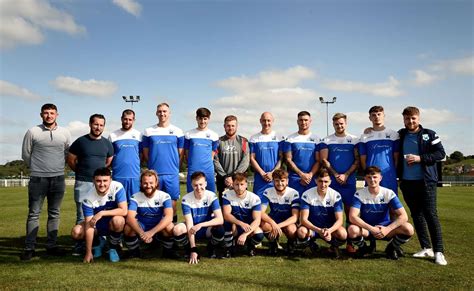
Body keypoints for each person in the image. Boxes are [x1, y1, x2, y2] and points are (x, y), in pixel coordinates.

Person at [20, 103, 71, 260]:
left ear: (57, 115)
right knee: (34, 213)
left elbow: (67, 154)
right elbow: (26, 154)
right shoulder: (32, 132)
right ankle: (29, 248)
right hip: (38, 179)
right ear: (41, 115)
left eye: (52, 113)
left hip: (58, 178)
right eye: (46, 113)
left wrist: (56, 168)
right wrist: (38, 168)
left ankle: (51, 246)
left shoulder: (65, 133)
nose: (49, 115)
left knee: (54, 213)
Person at [397, 106, 447, 265]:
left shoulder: (429, 134)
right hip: (407, 182)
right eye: (407, 118)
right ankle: (426, 247)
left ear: (418, 118)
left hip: (426, 182)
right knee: (417, 216)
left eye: (413, 118)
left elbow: (441, 154)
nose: (410, 121)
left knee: (431, 215)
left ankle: (439, 251)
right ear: (403, 119)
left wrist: (420, 158)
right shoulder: (401, 134)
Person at [67, 114, 114, 255]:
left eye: (101, 125)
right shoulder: (80, 142)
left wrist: (98, 178)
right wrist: (82, 172)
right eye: (96, 124)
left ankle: (100, 241)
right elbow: (71, 160)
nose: (98, 127)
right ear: (90, 124)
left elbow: (108, 161)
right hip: (83, 182)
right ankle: (81, 244)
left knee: (101, 214)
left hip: (100, 185)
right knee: (82, 215)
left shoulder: (107, 143)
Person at [347, 166, 414, 260]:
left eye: (375, 177)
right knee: (352, 229)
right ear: (365, 178)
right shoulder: (359, 194)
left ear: (380, 178)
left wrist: (387, 229)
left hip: (385, 228)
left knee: (409, 228)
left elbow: (404, 216)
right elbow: (352, 217)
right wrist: (371, 229)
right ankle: (364, 248)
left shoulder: (388, 193)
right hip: (368, 229)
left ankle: (391, 248)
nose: (372, 180)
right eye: (369, 177)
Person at [319, 113, 359, 253]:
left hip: (349, 182)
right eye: (336, 124)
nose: (339, 126)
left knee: (350, 213)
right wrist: (336, 174)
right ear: (333, 124)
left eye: (341, 123)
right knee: (333, 213)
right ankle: (333, 244)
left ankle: (350, 244)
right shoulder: (327, 140)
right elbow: (324, 160)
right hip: (333, 182)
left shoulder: (354, 139)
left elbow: (357, 160)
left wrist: (346, 174)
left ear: (346, 123)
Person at [70, 168, 127, 263]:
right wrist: (88, 253)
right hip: (97, 226)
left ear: (110, 180)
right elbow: (89, 225)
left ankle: (112, 247)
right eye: (98, 181)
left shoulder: (117, 187)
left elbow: (124, 210)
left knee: (118, 221)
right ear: (93, 181)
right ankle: (97, 244)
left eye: (105, 181)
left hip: (112, 223)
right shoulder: (88, 198)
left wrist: (102, 213)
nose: (102, 184)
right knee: (76, 232)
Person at [142, 103, 184, 222]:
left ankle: (172, 229)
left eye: (165, 111)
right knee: (155, 202)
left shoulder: (178, 131)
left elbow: (180, 154)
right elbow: (145, 153)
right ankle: (157, 230)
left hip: (172, 174)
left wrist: (175, 168)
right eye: (160, 111)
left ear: (169, 113)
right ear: (156, 113)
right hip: (155, 174)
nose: (162, 113)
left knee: (172, 203)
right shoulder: (148, 131)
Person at [173, 172, 225, 264]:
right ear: (191, 185)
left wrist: (201, 225)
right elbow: (189, 224)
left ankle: (211, 247)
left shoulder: (211, 196)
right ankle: (188, 249)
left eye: (201, 184)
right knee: (177, 229)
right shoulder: (186, 199)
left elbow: (220, 219)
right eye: (195, 185)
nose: (198, 188)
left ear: (205, 184)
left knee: (220, 229)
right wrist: (193, 249)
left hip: (206, 229)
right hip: (193, 228)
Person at [123, 170, 175, 259]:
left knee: (169, 226)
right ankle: (134, 252)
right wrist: (142, 233)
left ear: (156, 183)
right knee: (128, 228)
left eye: (151, 183)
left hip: (158, 226)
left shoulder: (165, 196)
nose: (148, 186)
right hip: (142, 226)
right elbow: (130, 218)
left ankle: (167, 251)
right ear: (141, 183)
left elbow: (169, 217)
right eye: (145, 183)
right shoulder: (135, 197)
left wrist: (151, 232)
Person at [297, 168, 347, 258]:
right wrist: (319, 230)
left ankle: (333, 247)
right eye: (320, 181)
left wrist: (329, 230)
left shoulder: (336, 195)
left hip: (329, 229)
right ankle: (311, 245)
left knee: (343, 234)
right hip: (313, 229)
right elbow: (303, 220)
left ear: (330, 182)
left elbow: (340, 220)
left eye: (326, 182)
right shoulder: (307, 194)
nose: (323, 185)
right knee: (301, 231)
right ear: (316, 181)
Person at [359, 106, 399, 194]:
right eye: (373, 115)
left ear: (384, 115)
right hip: (371, 176)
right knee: (371, 202)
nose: (376, 117)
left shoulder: (394, 134)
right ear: (370, 118)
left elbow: (396, 158)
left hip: (389, 175)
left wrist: (392, 172)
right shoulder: (364, 137)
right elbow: (363, 159)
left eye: (379, 114)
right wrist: (368, 173)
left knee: (391, 203)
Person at [222, 173, 264, 257]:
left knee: (259, 234)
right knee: (227, 223)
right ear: (233, 184)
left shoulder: (254, 198)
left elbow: (257, 220)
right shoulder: (227, 195)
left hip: (248, 226)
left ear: (246, 185)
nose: (239, 188)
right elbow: (226, 215)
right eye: (236, 184)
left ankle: (250, 246)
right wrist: (240, 223)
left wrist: (245, 234)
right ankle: (229, 248)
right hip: (235, 225)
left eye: (242, 184)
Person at [260, 169, 299, 255]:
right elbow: (261, 212)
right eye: (277, 181)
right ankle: (273, 243)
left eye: (282, 181)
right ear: (273, 181)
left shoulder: (294, 193)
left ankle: (291, 244)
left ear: (287, 181)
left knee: (291, 229)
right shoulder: (268, 191)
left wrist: (278, 226)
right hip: (274, 220)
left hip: (287, 222)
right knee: (263, 224)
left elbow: (295, 217)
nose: (280, 183)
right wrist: (273, 223)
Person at [214, 115, 250, 201]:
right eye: (228, 125)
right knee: (224, 207)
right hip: (223, 180)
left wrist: (234, 176)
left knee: (241, 207)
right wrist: (226, 176)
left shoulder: (243, 141)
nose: (230, 128)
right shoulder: (218, 141)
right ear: (224, 126)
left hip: (239, 180)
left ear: (237, 126)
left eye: (233, 125)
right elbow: (215, 160)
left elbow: (246, 160)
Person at [284, 111, 320, 195]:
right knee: (295, 205)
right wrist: (301, 174)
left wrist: (310, 174)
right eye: (301, 120)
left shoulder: (317, 139)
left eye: (306, 120)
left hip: (312, 178)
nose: (303, 122)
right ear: (297, 121)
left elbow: (319, 160)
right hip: (295, 178)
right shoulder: (290, 139)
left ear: (310, 121)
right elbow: (288, 160)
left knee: (311, 205)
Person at [108, 109, 142, 201]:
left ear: (133, 120)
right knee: (118, 204)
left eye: (130, 119)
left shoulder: (139, 135)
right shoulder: (113, 135)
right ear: (121, 119)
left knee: (134, 204)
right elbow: (109, 156)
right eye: (125, 119)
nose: (127, 122)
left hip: (134, 176)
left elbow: (141, 155)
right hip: (118, 176)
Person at [184, 107, 219, 192]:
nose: (202, 121)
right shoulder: (189, 134)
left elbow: (212, 154)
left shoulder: (214, 135)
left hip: (208, 170)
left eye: (205, 119)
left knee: (210, 195)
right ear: (196, 118)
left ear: (208, 119)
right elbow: (187, 153)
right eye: (200, 118)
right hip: (193, 169)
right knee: (192, 194)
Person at [249, 112, 283, 197]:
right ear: (260, 121)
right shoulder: (254, 138)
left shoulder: (279, 137)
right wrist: (262, 173)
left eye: (268, 120)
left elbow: (281, 158)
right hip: (260, 178)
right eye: (264, 120)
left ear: (273, 121)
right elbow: (252, 158)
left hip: (276, 177)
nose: (266, 123)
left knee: (277, 205)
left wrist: (273, 173)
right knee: (258, 207)